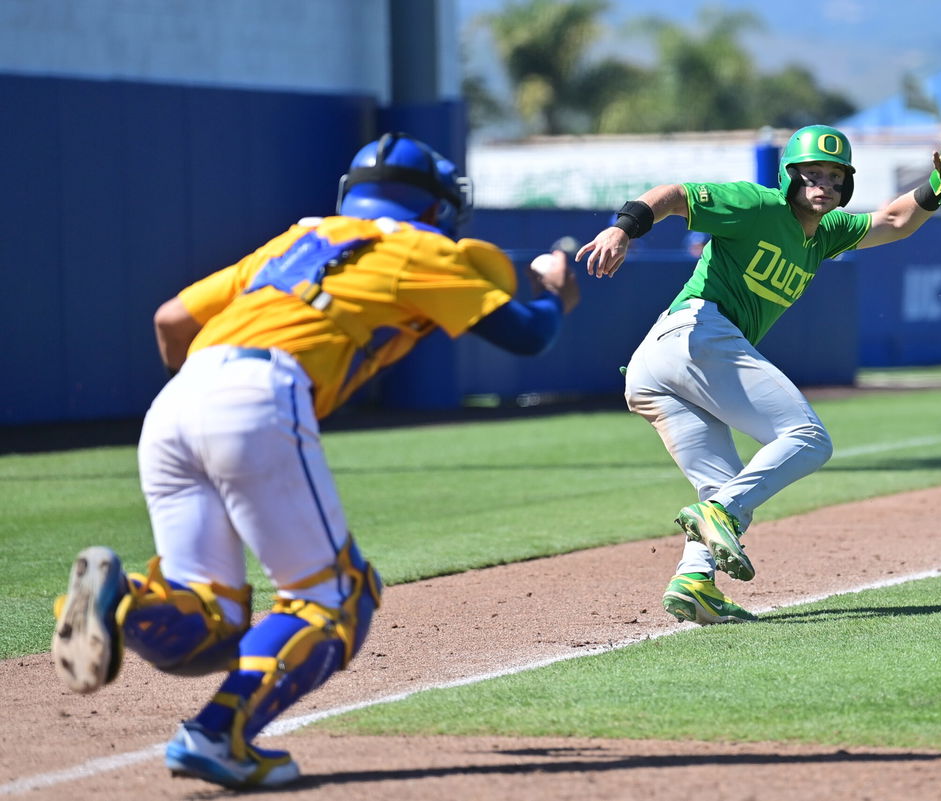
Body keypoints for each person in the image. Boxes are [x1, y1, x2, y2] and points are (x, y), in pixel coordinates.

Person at [50, 132, 580, 789]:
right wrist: (555, 290)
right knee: (337, 597)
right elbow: (527, 334)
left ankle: (123, 601)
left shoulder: (296, 241)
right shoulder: (423, 246)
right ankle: (218, 736)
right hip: (258, 393)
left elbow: (169, 321)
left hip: (176, 401)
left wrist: (206, 402)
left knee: (210, 617)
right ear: (436, 205)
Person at [576, 120, 941, 627]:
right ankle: (719, 517)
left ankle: (695, 582)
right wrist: (622, 227)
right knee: (808, 438)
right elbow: (676, 195)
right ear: (789, 175)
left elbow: (896, 221)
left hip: (657, 366)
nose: (824, 186)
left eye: (835, 178)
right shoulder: (759, 206)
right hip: (695, 333)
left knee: (724, 485)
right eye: (812, 174)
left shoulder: (825, 235)